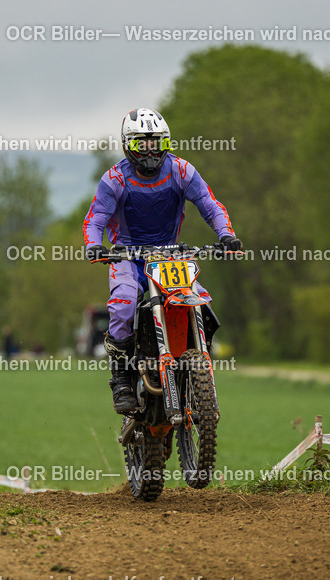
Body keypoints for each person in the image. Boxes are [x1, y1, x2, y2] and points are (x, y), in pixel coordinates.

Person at [83, 108, 242, 414]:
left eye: (157, 142)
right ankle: (122, 379)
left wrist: (226, 235)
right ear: (129, 145)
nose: (151, 149)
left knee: (198, 300)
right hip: (127, 255)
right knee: (125, 302)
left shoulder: (181, 171)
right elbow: (95, 218)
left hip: (169, 255)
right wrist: (94, 245)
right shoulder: (114, 178)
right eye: (143, 144)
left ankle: (198, 361)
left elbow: (209, 204)